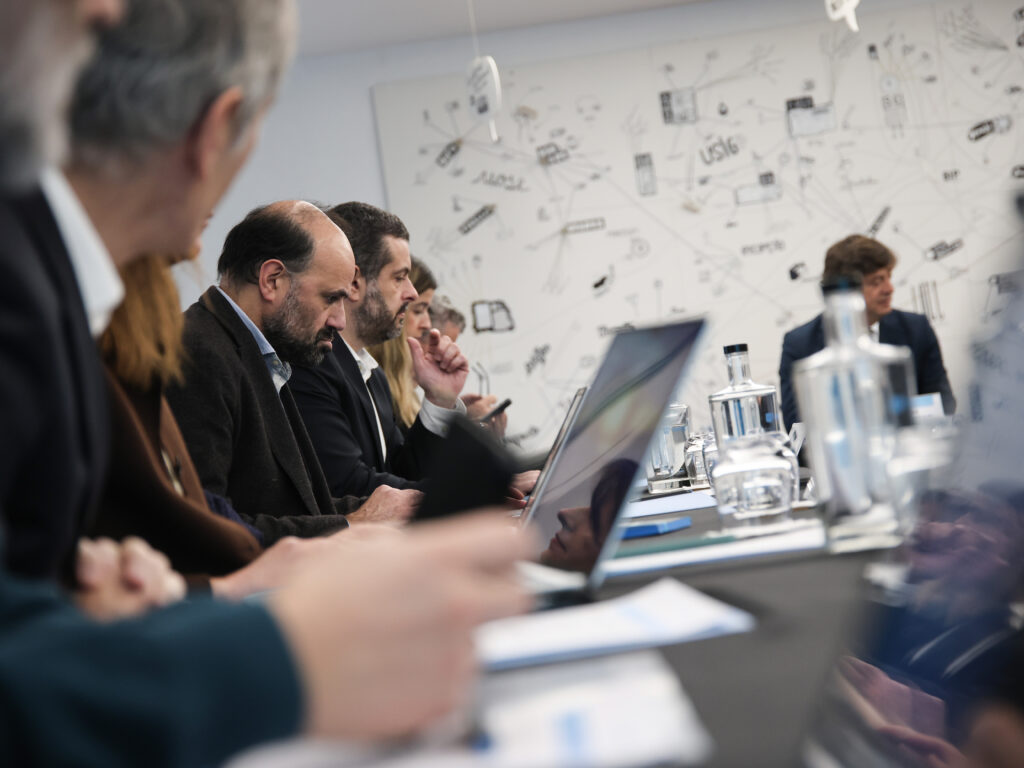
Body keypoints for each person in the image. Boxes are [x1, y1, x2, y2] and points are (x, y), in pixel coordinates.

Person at [0, 1, 531, 764]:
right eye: (336, 296)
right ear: (216, 130)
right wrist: (283, 651)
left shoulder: (66, 295)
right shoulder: (50, 305)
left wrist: (128, 594)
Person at [167, 202, 417, 540]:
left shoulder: (260, 354)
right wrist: (353, 524)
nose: (339, 320)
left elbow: (298, 506)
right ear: (272, 280)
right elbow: (203, 525)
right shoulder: (201, 352)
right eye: (331, 298)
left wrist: (393, 507)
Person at [290, 202, 467, 497]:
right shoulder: (311, 365)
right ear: (354, 283)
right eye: (399, 277)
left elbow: (402, 473)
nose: (411, 293)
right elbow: (351, 487)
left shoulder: (372, 374)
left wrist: (439, 399)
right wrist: (471, 494)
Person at [778, 234, 955, 429]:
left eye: (888, 277)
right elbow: (796, 424)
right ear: (843, 289)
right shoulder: (800, 345)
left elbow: (943, 404)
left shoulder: (916, 329)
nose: (889, 289)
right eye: (876, 281)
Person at [368, 256, 438, 433]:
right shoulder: (372, 389)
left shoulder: (405, 391)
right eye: (418, 310)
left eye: (427, 311)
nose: (427, 324)